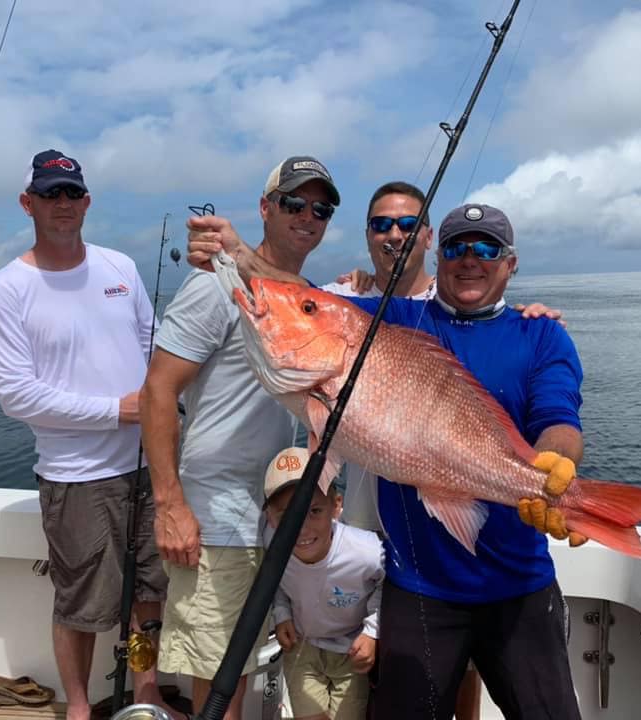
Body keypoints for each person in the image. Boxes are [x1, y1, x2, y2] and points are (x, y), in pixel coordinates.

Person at [185, 201, 587, 720]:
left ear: (510, 264)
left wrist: (554, 468)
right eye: (457, 248)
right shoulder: (392, 319)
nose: (471, 259)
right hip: (419, 588)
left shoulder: (542, 333)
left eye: (487, 248)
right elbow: (302, 300)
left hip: (519, 584)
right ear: (437, 258)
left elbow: (559, 418)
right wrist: (238, 255)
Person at [139, 156, 341, 719]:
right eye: (293, 202)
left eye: (320, 208)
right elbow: (158, 391)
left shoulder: (308, 298)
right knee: (221, 680)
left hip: (275, 516)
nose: (307, 215)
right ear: (265, 207)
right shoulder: (214, 285)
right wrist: (170, 506)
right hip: (217, 519)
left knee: (249, 667)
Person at [0, 150, 170, 720]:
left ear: (86, 201)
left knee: (149, 589)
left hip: (147, 461)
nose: (62, 204)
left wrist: (161, 411)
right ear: (27, 203)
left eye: (71, 194)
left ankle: (146, 693)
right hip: (77, 476)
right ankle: (81, 708)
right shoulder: (6, 289)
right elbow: (17, 395)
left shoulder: (121, 268)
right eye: (50, 194)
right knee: (81, 602)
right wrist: (120, 410)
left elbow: (154, 349)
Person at [262, 447, 384, 720]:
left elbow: (391, 582)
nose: (301, 527)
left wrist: (372, 632)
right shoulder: (272, 543)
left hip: (351, 653)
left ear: (336, 505)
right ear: (270, 518)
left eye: (314, 511)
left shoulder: (366, 551)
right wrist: (281, 614)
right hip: (302, 647)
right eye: (286, 515)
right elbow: (277, 580)